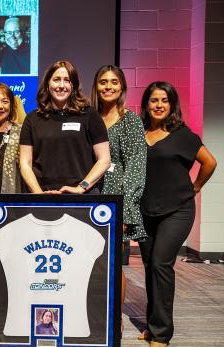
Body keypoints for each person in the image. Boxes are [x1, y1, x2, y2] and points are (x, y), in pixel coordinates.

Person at [138, 81, 217, 347]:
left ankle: (161, 333)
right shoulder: (139, 133)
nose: (158, 105)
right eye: (153, 100)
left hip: (177, 210)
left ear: (172, 105)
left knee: (161, 263)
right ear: (146, 104)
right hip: (146, 210)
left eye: (164, 101)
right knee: (150, 266)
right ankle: (152, 324)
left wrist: (195, 187)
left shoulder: (183, 135)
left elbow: (210, 162)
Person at [91, 64, 147, 327]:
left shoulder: (131, 121)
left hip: (116, 200)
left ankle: (114, 318)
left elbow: (136, 166)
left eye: (114, 82)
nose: (108, 87)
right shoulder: (88, 117)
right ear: (96, 86)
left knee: (112, 263)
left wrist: (125, 210)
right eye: (103, 82)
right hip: (89, 195)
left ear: (122, 87)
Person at [19, 60, 111, 193]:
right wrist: (38, 194)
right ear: (47, 83)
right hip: (42, 196)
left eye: (67, 80)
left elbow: (104, 160)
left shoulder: (90, 115)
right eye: (56, 79)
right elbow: (25, 163)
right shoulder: (32, 119)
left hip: (82, 197)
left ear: (73, 85)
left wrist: (81, 187)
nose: (61, 85)